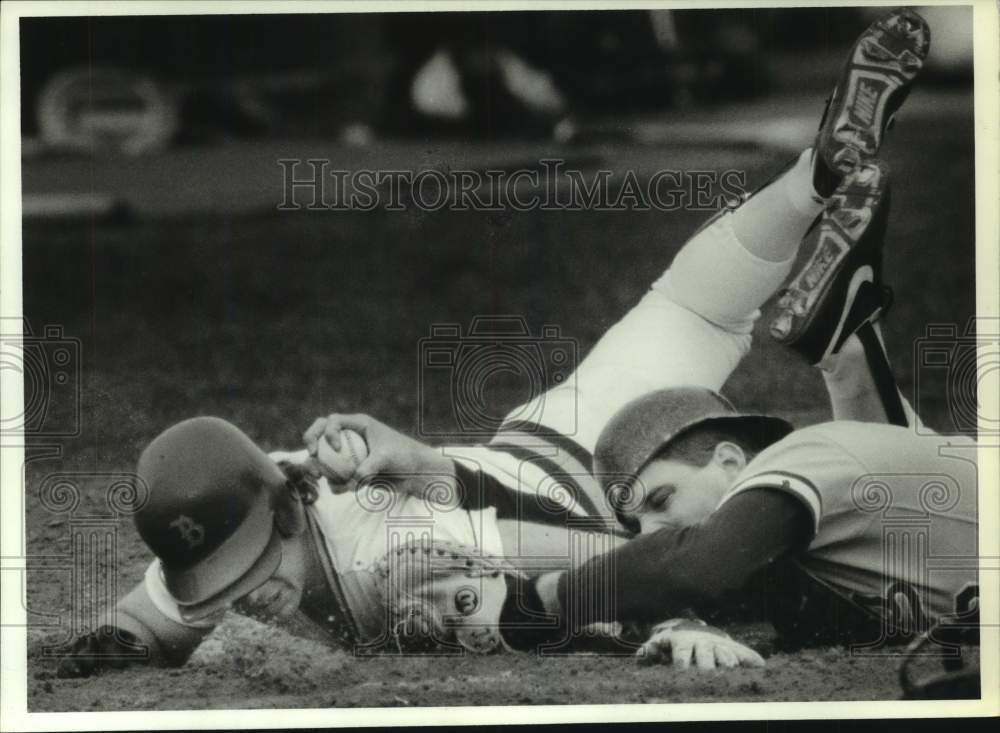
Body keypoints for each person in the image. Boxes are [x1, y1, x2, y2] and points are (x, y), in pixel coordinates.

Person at [56, 9, 930, 676]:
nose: (252, 599)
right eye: (227, 583)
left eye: (255, 570)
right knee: (694, 313)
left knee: (827, 562)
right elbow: (153, 611)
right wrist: (102, 648)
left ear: (287, 507)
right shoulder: (226, 518)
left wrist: (670, 614)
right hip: (537, 434)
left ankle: (835, 257)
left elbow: (585, 578)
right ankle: (825, 216)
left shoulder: (400, 567)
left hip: (586, 504)